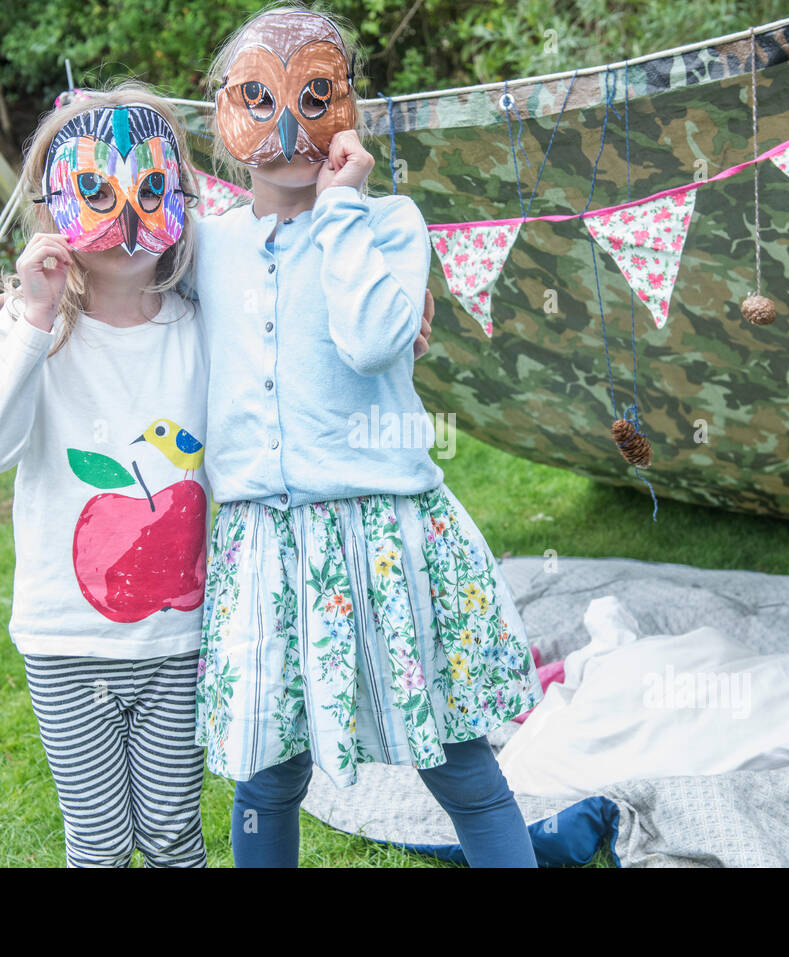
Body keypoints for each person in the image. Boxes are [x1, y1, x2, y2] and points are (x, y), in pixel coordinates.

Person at [192, 4, 542, 867]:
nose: (287, 125)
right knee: (267, 775)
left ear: (349, 108)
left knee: (458, 763)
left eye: (314, 96)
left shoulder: (388, 224)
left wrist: (340, 207)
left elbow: (374, 339)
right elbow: (117, 289)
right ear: (223, 117)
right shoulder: (203, 246)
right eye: (257, 96)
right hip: (264, 543)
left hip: (383, 539)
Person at [0, 83, 210, 867]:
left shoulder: (205, 328)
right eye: (96, 190)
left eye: (152, 189)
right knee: (97, 841)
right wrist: (32, 320)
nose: (128, 218)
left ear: (181, 196)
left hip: (180, 634)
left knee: (174, 834)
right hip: (67, 639)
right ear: (54, 204)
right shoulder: (30, 329)